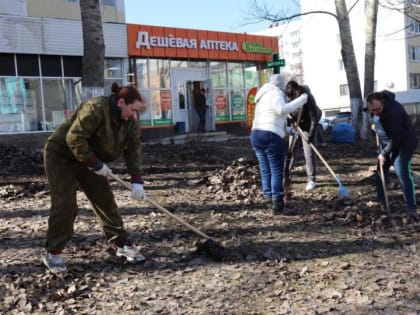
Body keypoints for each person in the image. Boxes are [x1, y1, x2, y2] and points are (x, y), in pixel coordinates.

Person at [42, 84, 148, 273]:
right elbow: (74, 137)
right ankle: (54, 252)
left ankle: (122, 244)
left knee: (105, 200)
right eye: (132, 110)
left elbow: (133, 149)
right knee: (65, 204)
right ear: (121, 102)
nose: (134, 116)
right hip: (62, 155)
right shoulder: (96, 107)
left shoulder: (129, 121)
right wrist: (94, 163)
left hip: (91, 159)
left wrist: (137, 180)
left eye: (137, 112)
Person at [251, 74, 308, 215]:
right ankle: (277, 204)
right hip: (270, 137)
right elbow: (282, 110)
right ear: (280, 86)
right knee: (276, 170)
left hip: (256, 135)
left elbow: (272, 118)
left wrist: (289, 130)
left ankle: (268, 199)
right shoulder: (275, 94)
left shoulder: (262, 96)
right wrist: (301, 100)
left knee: (265, 169)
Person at [366, 90, 419, 222]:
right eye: (372, 110)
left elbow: (397, 138)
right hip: (386, 143)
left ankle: (412, 209)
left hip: (403, 144)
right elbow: (377, 119)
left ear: (383, 103)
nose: (375, 112)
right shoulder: (375, 109)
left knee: (403, 174)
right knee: (380, 173)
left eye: (377, 109)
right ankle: (382, 203)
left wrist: (384, 153)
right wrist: (375, 127)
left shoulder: (393, 112)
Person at [285, 80, 320, 192]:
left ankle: (312, 180)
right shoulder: (289, 97)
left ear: (298, 90)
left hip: (308, 126)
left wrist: (311, 133)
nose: (293, 99)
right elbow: (286, 111)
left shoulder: (308, 98)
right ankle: (286, 175)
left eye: (294, 95)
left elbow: (314, 117)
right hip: (296, 125)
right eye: (291, 97)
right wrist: (290, 119)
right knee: (291, 152)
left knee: (308, 153)